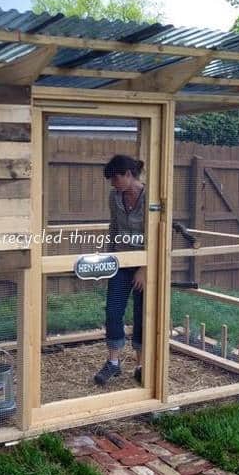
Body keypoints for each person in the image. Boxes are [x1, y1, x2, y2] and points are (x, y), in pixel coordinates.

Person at [94, 154, 146, 386]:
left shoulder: (151, 198)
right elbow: (113, 228)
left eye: (115, 179)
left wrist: (144, 269)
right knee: (113, 311)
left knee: (142, 314)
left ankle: (142, 365)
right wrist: (109, 259)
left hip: (146, 263)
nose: (113, 184)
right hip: (121, 261)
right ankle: (113, 363)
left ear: (127, 174)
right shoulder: (114, 197)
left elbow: (157, 234)